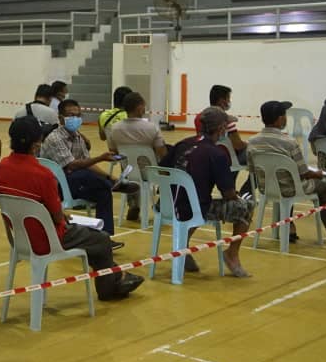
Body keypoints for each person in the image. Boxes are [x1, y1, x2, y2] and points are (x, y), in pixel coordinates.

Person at [0, 117, 144, 301]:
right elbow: (58, 217)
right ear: (36, 144)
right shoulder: (43, 175)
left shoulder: (2, 167)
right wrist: (60, 215)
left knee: (92, 241)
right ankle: (109, 287)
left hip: (20, 237)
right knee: (101, 240)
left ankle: (117, 276)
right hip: (48, 238)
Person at [248, 101, 326, 243]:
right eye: (284, 115)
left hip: (267, 189)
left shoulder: (252, 141)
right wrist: (317, 174)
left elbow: (252, 169)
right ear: (280, 119)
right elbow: (303, 173)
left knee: (284, 181)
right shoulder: (289, 142)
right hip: (292, 189)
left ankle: (288, 228)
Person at [160, 107, 254, 277]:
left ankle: (182, 246)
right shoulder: (217, 154)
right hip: (194, 210)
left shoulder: (182, 144)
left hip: (166, 206)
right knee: (246, 207)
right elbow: (228, 194)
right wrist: (237, 196)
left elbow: (162, 168)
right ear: (221, 129)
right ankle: (232, 254)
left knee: (194, 198)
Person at [40, 99, 137, 238]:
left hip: (75, 183)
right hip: (57, 186)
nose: (76, 119)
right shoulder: (55, 138)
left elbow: (88, 163)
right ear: (61, 118)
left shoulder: (78, 137)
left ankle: (104, 237)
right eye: (71, 115)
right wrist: (100, 158)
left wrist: (110, 176)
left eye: (78, 115)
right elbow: (71, 165)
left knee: (103, 192)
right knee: (84, 174)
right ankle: (112, 186)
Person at [107, 92, 167, 223]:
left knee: (131, 172)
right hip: (151, 172)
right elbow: (162, 152)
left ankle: (133, 204)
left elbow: (113, 151)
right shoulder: (151, 127)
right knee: (171, 169)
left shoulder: (114, 128)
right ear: (140, 108)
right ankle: (163, 205)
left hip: (128, 172)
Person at [195, 84, 250, 194]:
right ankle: (246, 193)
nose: (229, 101)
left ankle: (231, 189)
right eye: (228, 98)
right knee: (258, 158)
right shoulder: (226, 121)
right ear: (221, 101)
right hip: (226, 159)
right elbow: (238, 145)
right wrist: (248, 144)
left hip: (208, 156)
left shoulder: (199, 118)